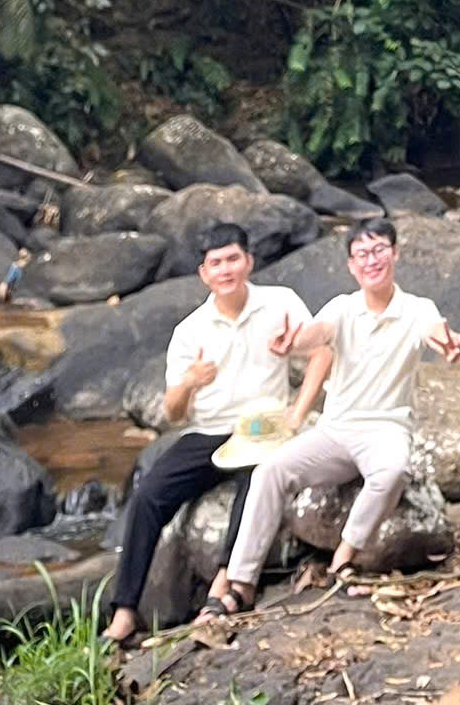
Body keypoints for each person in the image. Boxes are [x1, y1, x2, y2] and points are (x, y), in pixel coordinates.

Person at [213, 217, 460, 612]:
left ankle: (344, 560)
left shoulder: (417, 309)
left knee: (391, 472)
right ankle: (241, 582)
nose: (371, 260)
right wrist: (292, 342)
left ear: (395, 253)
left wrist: (450, 343)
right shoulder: (343, 308)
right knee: (269, 472)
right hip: (335, 430)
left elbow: (435, 332)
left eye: (379, 249)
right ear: (350, 265)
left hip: (386, 428)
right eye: (361, 254)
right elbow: (318, 333)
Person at [102, 224, 326, 644]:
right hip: (208, 432)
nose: (226, 270)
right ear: (204, 273)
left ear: (249, 262)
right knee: (149, 495)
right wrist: (189, 382)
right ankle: (125, 611)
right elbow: (172, 411)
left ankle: (225, 584)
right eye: (216, 263)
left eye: (233, 259)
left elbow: (321, 352)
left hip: (262, 427)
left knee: (257, 480)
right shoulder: (190, 331)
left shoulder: (280, 303)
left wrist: (299, 411)